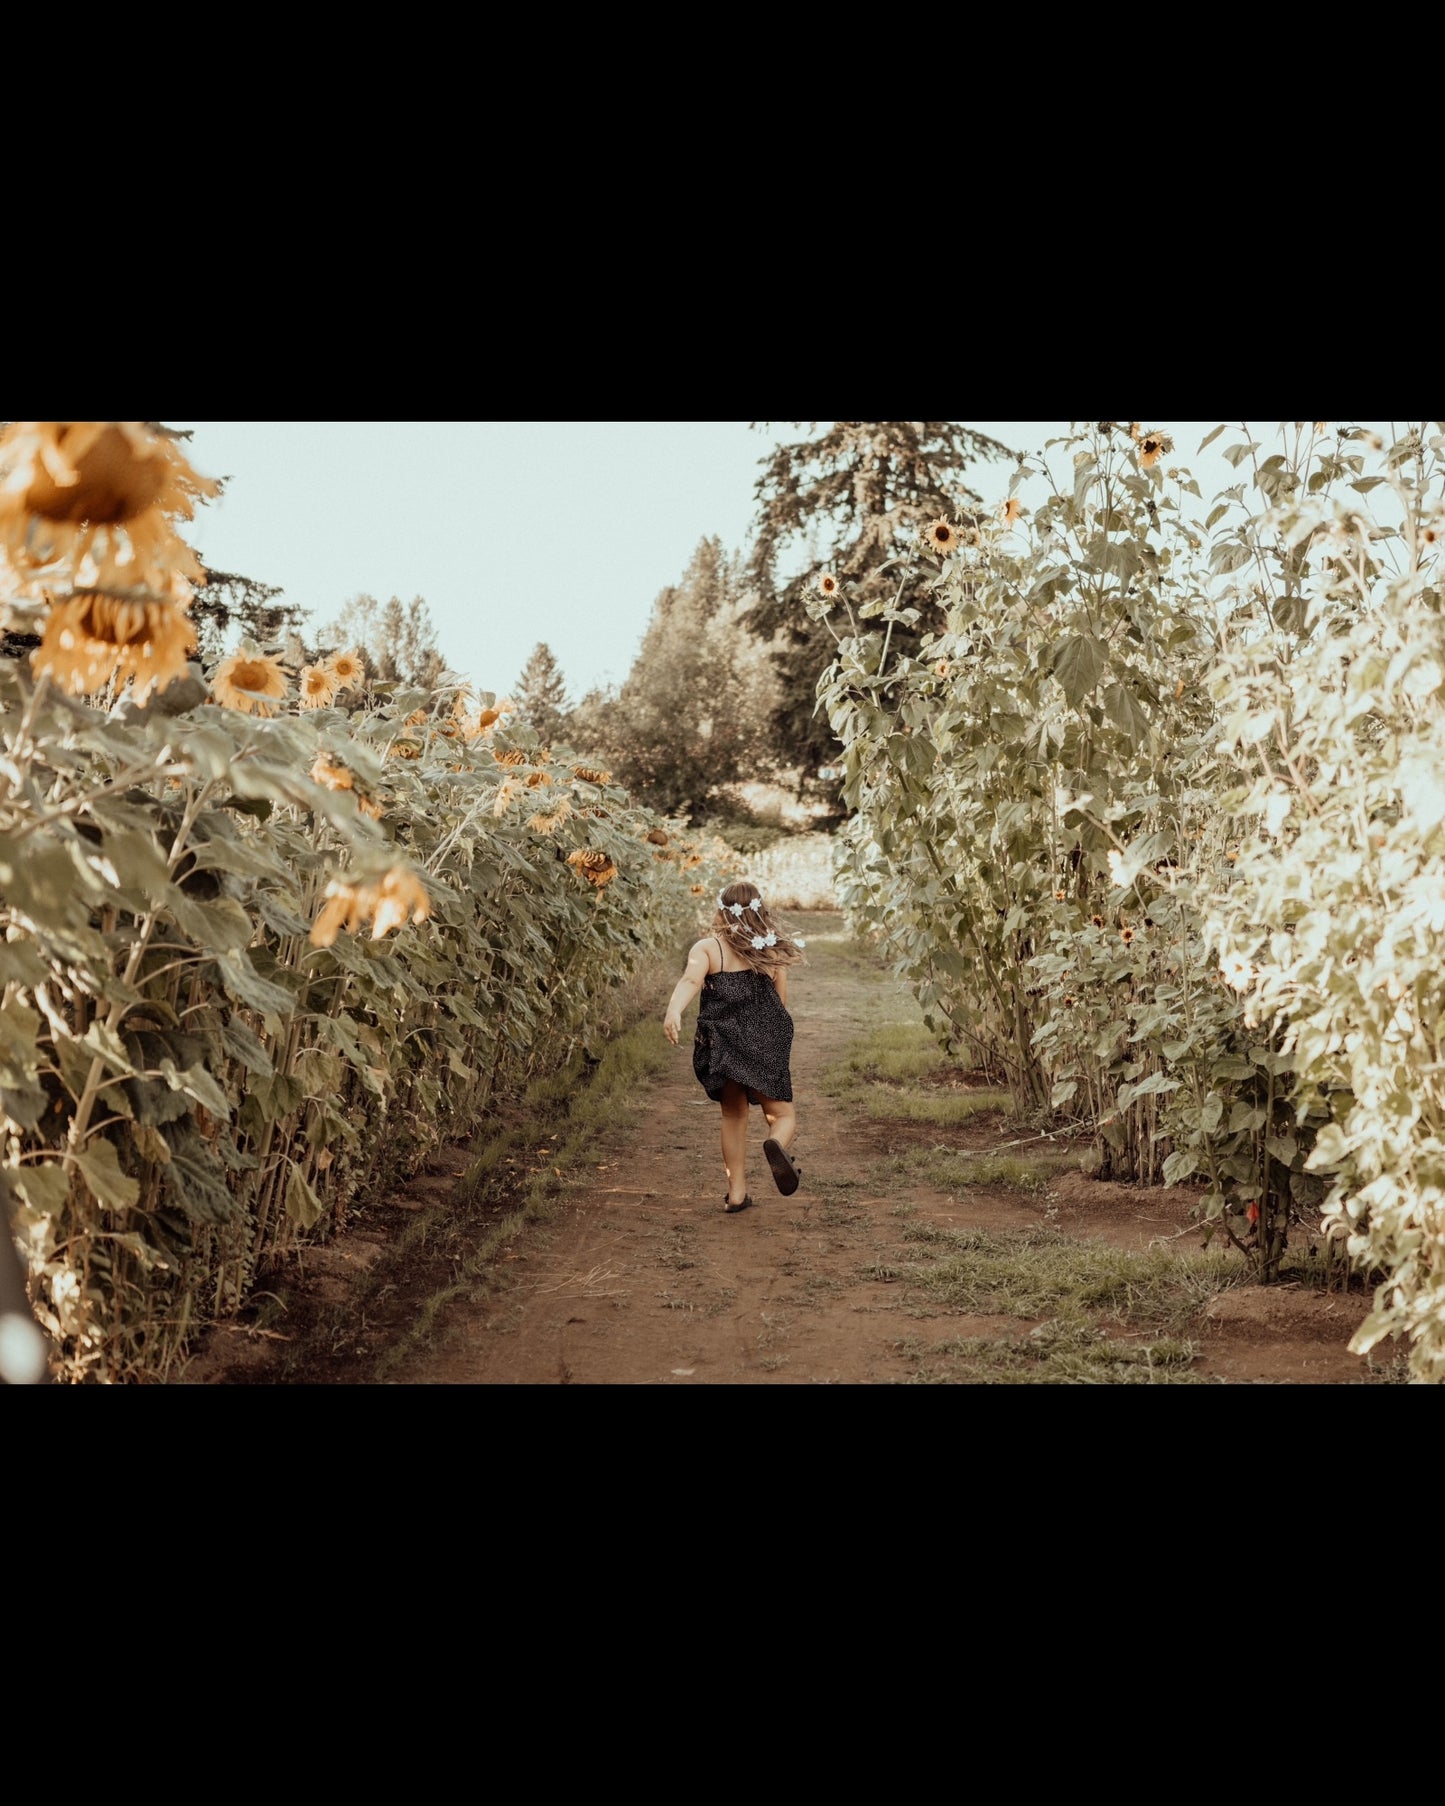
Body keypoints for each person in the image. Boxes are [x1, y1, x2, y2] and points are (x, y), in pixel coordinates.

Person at [663, 881, 806, 1214]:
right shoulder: (770, 949)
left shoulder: (708, 948)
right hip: (764, 1039)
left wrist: (674, 1010)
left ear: (720, 911)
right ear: (760, 911)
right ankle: (776, 1142)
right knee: (782, 1113)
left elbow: (690, 981)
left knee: (733, 1114)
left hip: (723, 1043)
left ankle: (737, 1193)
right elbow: (779, 1006)